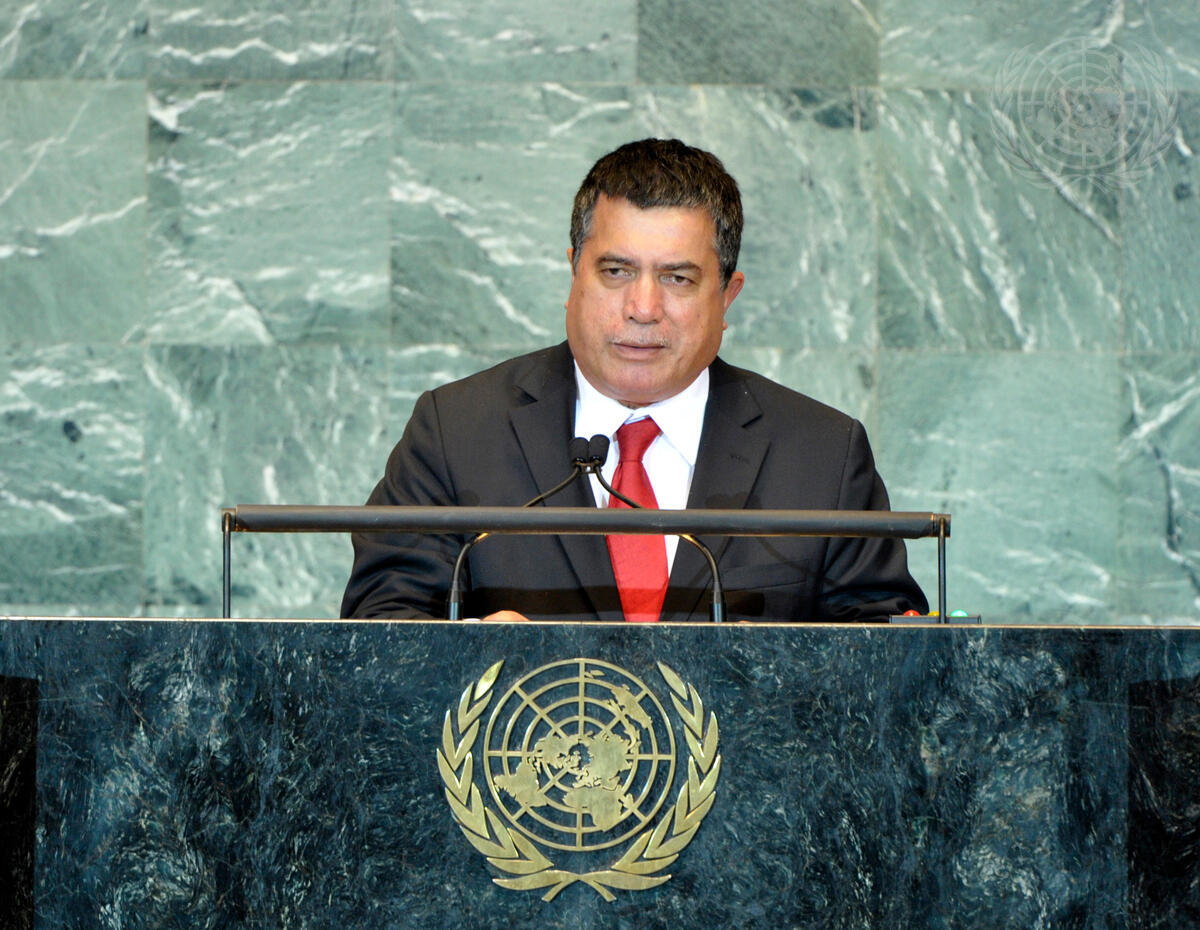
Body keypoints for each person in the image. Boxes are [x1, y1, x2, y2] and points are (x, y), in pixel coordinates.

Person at [340, 138, 927, 622]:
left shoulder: (823, 455)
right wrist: (466, 659)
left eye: (677, 278)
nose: (643, 308)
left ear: (727, 296)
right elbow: (380, 625)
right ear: (573, 274)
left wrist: (776, 675)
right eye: (617, 271)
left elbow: (885, 659)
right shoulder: (455, 432)